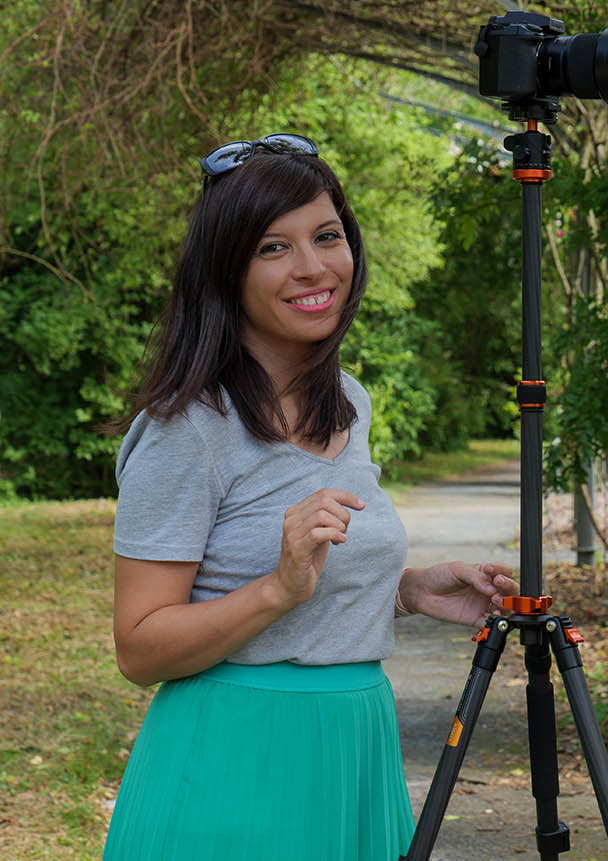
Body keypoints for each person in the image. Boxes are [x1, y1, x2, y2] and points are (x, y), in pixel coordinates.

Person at [103, 134, 518, 859]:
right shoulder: (189, 429)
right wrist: (276, 588)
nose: (312, 266)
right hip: (235, 762)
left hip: (356, 750)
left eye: (327, 236)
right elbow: (139, 647)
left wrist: (409, 589)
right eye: (273, 247)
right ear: (226, 271)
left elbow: (316, 580)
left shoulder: (347, 403)